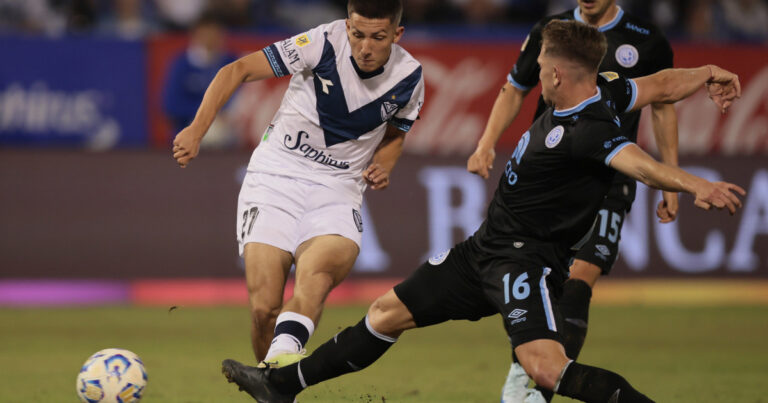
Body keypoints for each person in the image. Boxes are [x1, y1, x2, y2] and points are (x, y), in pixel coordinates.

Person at [219, 20, 744, 403]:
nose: (535, 71)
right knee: (385, 314)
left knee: (544, 368)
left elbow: (641, 165)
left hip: (524, 262)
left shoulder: (591, 130)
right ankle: (281, 385)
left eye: (540, 66)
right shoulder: (604, 91)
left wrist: (697, 184)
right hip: (482, 250)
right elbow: (659, 85)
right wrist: (710, 72)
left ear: (558, 75)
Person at [172, 0, 424, 368]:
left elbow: (397, 133)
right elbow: (237, 69)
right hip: (275, 176)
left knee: (315, 279)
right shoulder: (321, 42)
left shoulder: (410, 76)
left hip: (337, 189)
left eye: (378, 37)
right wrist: (197, 130)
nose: (365, 47)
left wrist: (383, 165)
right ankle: (274, 384)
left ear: (397, 34)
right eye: (357, 34)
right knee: (265, 308)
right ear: (346, 25)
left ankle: (276, 381)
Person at [465, 1, 682, 400]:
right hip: (548, 179)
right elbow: (516, 87)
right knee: (549, 283)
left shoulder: (646, 41)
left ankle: (537, 393)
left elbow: (663, 106)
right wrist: (486, 144)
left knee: (581, 281)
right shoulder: (551, 30)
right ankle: (525, 363)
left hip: (609, 178)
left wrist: (670, 179)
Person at [163, 15, 237, 145]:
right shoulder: (182, 64)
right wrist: (209, 113)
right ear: (196, 35)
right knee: (212, 134)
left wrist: (227, 112)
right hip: (190, 127)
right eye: (206, 32)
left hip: (228, 127)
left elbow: (241, 96)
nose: (211, 38)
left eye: (215, 32)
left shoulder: (230, 61)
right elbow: (171, 105)